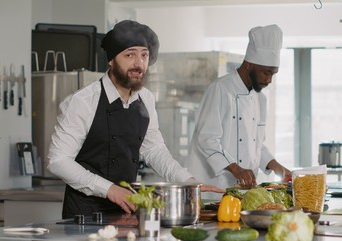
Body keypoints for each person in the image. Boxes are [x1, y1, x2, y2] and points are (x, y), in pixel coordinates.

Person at [47, 20, 223, 219]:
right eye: (130, 54)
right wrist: (109, 189)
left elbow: (153, 149)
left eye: (144, 55)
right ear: (111, 60)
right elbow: (58, 161)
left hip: (127, 209)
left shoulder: (145, 98)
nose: (139, 63)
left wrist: (188, 181)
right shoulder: (83, 101)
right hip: (85, 214)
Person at [186, 24, 291, 199]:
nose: (269, 80)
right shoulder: (220, 89)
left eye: (273, 74)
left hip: (241, 192)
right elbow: (207, 139)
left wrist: (276, 166)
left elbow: (256, 143)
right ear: (249, 64)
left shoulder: (260, 99)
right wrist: (237, 169)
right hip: (212, 190)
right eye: (266, 73)